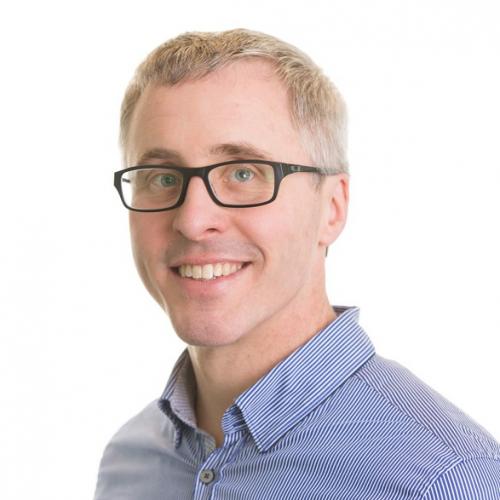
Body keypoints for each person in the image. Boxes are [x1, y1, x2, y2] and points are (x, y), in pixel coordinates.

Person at [93, 28, 500, 499]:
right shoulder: (130, 463)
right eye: (162, 178)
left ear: (332, 208)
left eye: (243, 172)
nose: (193, 220)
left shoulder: (446, 480)